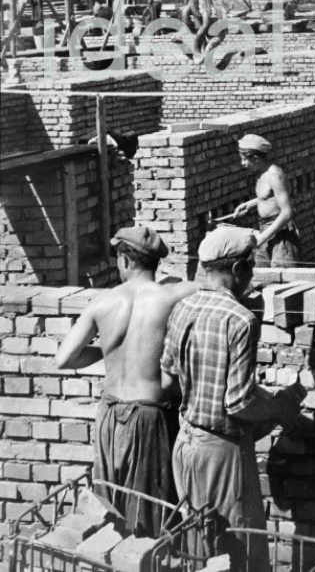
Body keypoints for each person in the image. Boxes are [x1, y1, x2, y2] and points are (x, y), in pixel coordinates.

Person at [161, 228, 307, 570]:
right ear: (238, 268)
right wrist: (279, 405)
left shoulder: (182, 306)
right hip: (221, 452)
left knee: (200, 545)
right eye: (251, 270)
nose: (252, 278)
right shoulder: (240, 319)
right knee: (237, 550)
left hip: (185, 445)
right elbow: (239, 401)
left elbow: (168, 377)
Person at [56, 227, 197, 535]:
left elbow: (64, 358)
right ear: (155, 263)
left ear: (124, 260)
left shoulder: (103, 302)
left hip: (110, 413)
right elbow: (217, 288)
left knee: (110, 504)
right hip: (150, 414)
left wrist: (109, 347)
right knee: (152, 509)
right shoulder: (174, 295)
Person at [229, 133, 301, 267]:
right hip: (265, 231)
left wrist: (262, 237)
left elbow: (287, 212)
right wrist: (249, 204)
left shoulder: (275, 175)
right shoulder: (261, 174)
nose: (243, 164)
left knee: (283, 281)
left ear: (256, 158)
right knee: (261, 278)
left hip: (281, 236)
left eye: (245, 159)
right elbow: (269, 197)